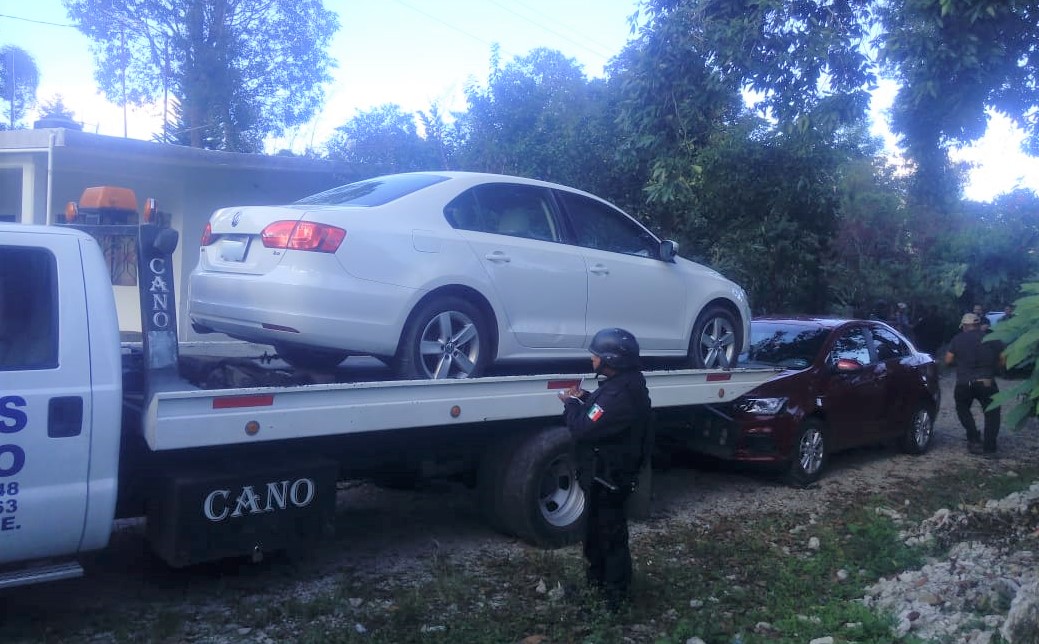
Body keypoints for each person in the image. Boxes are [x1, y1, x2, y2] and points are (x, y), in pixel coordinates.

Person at [559, 327, 652, 611]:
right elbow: (603, 410)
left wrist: (571, 405)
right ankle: (598, 584)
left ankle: (615, 599)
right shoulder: (625, 384)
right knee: (597, 534)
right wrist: (585, 398)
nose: (592, 360)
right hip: (607, 476)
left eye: (596, 356)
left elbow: (583, 429)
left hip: (609, 479)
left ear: (612, 360)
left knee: (610, 537)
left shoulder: (619, 394)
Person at [945, 313, 1006, 456]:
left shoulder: (957, 339)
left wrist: (958, 364)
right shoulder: (991, 338)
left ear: (964, 326)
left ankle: (974, 438)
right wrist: (996, 368)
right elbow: (1004, 357)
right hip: (986, 382)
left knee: (963, 408)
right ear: (978, 325)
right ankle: (990, 448)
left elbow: (948, 360)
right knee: (992, 413)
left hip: (964, 383)